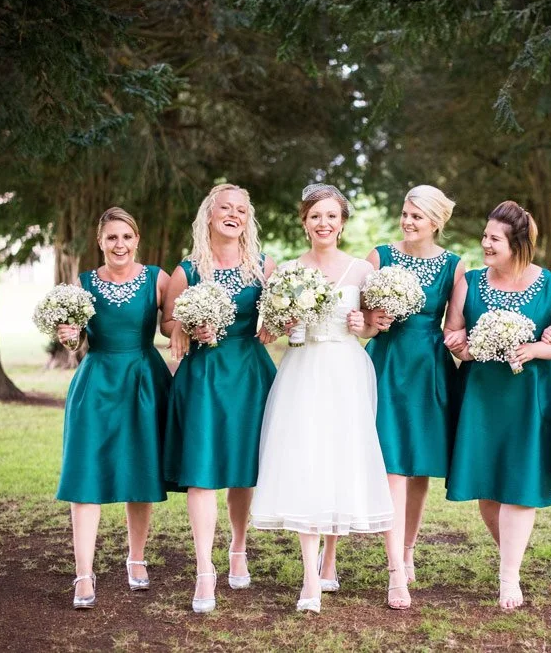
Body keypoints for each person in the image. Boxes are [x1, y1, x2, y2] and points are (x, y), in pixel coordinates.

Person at [251, 183, 394, 614]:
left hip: (346, 371)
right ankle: (310, 580)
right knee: (307, 460)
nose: (324, 223)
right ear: (305, 222)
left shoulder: (362, 270)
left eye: (331, 216)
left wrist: (364, 325)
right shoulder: (287, 271)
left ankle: (329, 559)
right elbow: (266, 331)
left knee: (338, 458)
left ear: (342, 223)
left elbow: (373, 325)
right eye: (315, 216)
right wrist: (283, 322)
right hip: (303, 370)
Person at [442, 201, 551, 611]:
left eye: (495, 238)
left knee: (520, 487)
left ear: (518, 244)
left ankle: (509, 576)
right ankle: (512, 554)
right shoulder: (470, 282)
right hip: (482, 397)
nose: (485, 244)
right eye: (485, 236)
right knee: (487, 489)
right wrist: (464, 347)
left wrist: (538, 348)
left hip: (531, 397)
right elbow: (453, 333)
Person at [161, 184, 277, 613]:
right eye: (225, 208)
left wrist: (276, 323)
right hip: (205, 376)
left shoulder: (263, 266)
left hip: (249, 373)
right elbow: (167, 322)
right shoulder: (188, 269)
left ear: (248, 219)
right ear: (209, 216)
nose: (233, 215)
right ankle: (204, 569)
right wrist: (187, 327)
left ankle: (238, 548)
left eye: (241, 210)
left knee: (243, 470)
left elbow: (280, 312)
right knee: (203, 472)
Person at [55, 207, 172, 609]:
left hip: (143, 380)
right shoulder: (84, 283)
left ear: (136, 239)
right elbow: (75, 342)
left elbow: (173, 326)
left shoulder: (157, 278)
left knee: (139, 471)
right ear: (100, 242)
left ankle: (136, 558)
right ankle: (83, 574)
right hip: (97, 382)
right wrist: (69, 336)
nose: (119, 244)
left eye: (126, 236)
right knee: (86, 472)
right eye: (111, 238)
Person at [355, 185, 464, 609]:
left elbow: (454, 325)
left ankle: (407, 548)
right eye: (405, 213)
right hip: (387, 365)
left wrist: (462, 340)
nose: (407, 221)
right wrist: (372, 319)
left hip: (428, 369)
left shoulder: (453, 266)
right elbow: (359, 317)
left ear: (436, 222)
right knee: (394, 470)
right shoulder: (379, 256)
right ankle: (394, 573)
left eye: (416, 216)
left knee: (419, 471)